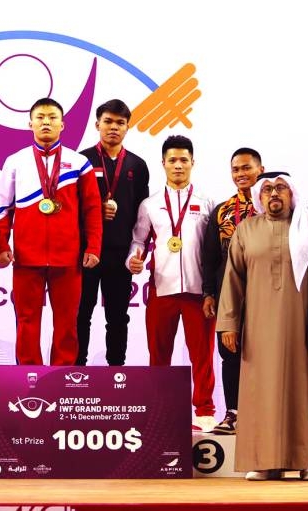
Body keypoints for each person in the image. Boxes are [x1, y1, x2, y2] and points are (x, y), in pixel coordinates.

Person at [218, 171, 308, 481]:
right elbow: (232, 280)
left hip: (301, 324)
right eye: (267, 189)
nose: (274, 194)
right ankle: (263, 461)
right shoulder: (246, 230)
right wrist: (228, 323)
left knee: (304, 388)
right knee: (260, 391)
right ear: (259, 197)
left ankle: (307, 460)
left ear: (292, 193)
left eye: (280, 188)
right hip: (257, 326)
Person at [0, 97, 103, 365]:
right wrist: (2, 245)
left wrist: (93, 247)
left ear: (62, 125)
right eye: (40, 117)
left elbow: (92, 209)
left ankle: (62, 376)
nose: (46, 122)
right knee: (27, 321)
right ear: (30, 123)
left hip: (68, 257)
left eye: (52, 117)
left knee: (67, 322)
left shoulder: (79, 163)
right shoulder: (15, 161)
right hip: (26, 257)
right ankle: (29, 377)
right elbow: (2, 207)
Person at [128, 135, 217, 431]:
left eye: (184, 160)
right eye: (172, 160)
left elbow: (214, 248)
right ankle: (160, 411)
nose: (178, 165)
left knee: (202, 354)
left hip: (197, 291)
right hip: (161, 289)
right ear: (163, 163)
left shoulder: (207, 203)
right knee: (159, 353)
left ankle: (204, 411)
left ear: (193, 162)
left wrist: (212, 290)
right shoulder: (150, 204)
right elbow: (138, 241)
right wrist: (134, 260)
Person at [76, 99, 150, 366]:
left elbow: (144, 214)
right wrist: (94, 214)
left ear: (128, 128)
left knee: (118, 316)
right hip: (85, 252)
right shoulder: (80, 160)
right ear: (97, 124)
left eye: (120, 123)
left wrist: (138, 252)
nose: (113, 128)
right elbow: (72, 207)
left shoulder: (138, 166)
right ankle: (76, 371)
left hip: (120, 253)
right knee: (80, 313)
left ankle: (117, 373)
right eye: (108, 121)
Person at [201, 147, 264, 434]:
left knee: (266, 354)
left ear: (260, 170)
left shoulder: (274, 206)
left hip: (268, 295)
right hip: (230, 296)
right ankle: (233, 413)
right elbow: (210, 257)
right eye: (236, 169)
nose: (241, 174)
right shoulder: (222, 211)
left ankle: (265, 413)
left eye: (246, 168)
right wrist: (209, 293)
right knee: (230, 353)